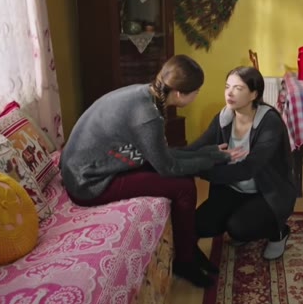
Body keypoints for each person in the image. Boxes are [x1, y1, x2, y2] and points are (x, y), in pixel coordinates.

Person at [60, 55, 243, 287]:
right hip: (88, 182)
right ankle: (185, 262)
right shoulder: (147, 116)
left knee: (184, 177)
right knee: (184, 187)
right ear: (180, 93)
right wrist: (212, 160)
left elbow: (162, 154)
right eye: (196, 91)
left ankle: (187, 247)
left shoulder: (145, 94)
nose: (197, 95)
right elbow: (168, 167)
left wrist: (210, 153)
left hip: (88, 167)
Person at [188, 66, 296, 260]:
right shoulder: (224, 118)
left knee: (238, 228)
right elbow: (196, 147)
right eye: (227, 86)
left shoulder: (270, 122)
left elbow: (247, 169)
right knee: (200, 225)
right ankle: (245, 224)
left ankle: (279, 232)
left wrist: (199, 171)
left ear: (254, 94)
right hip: (233, 189)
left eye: (238, 88)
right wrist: (164, 157)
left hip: (267, 192)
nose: (229, 93)